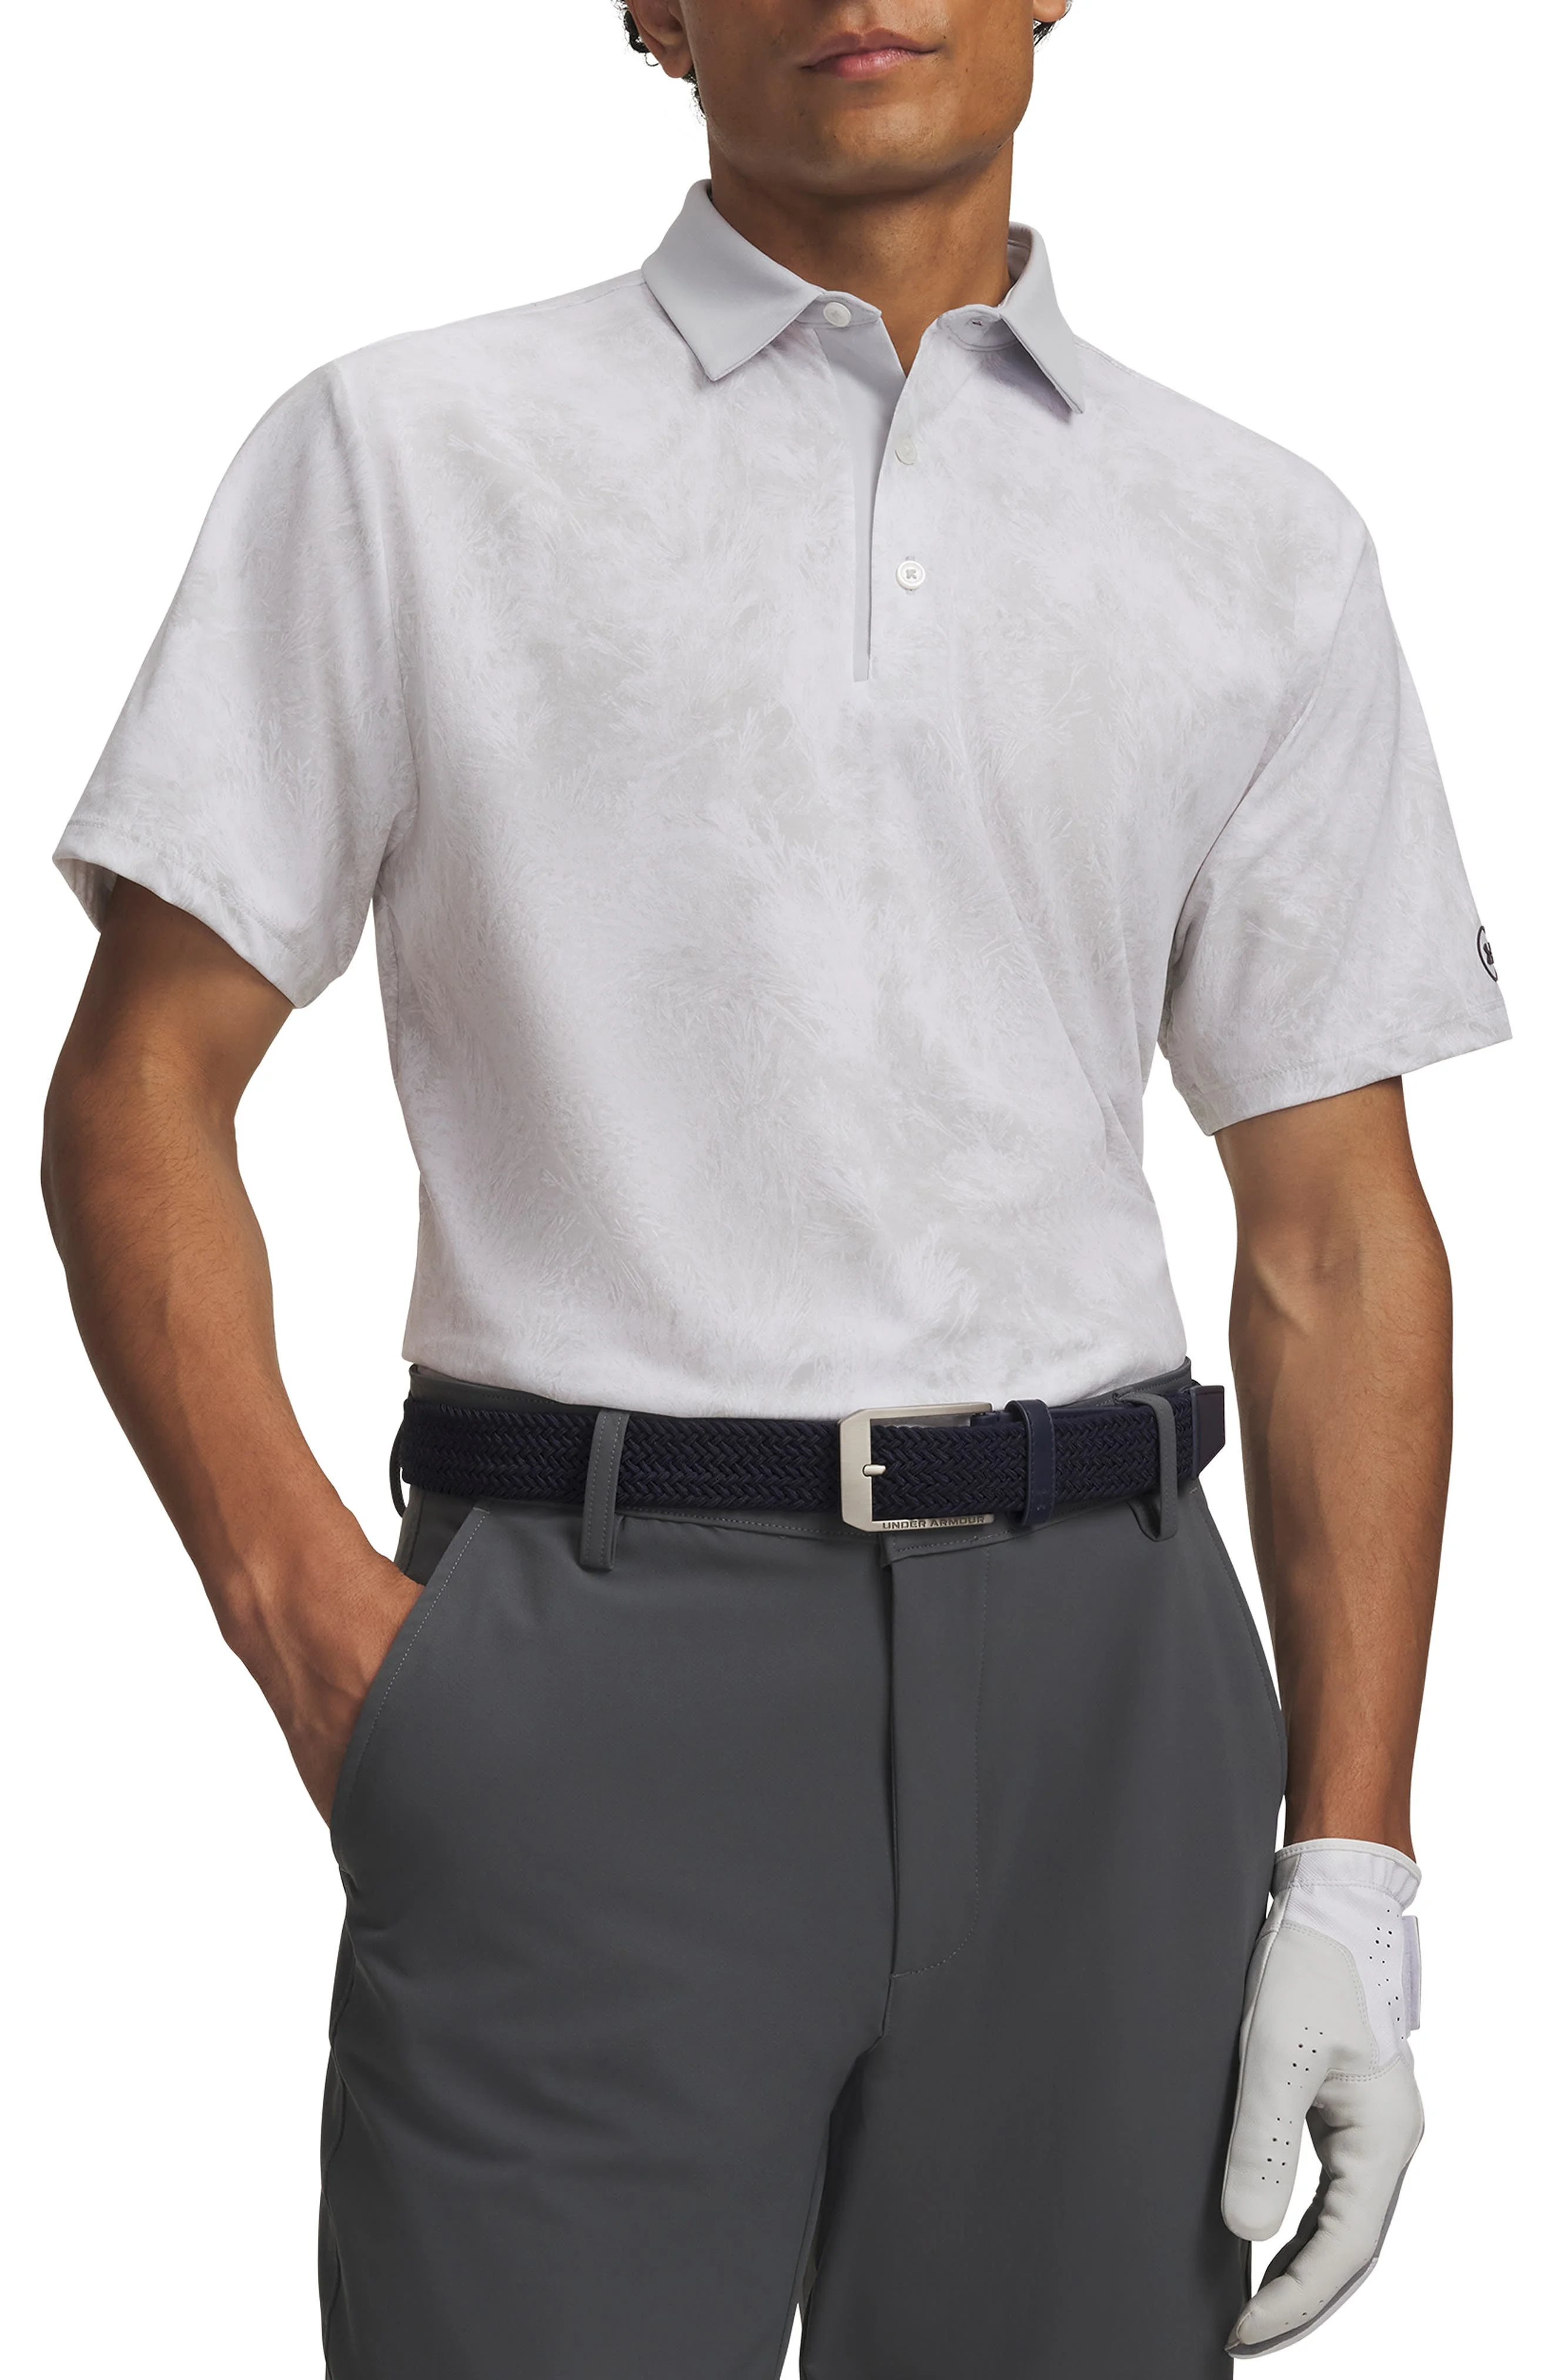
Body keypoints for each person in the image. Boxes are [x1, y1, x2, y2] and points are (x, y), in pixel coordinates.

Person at [41, 4, 1508, 2374]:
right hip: (589, 1668)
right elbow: (142, 1083)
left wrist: (1352, 1866)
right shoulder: (407, 455)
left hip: (1114, 1690)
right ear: (652, 8)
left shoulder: (1259, 540)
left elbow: (1337, 1230)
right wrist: (310, 1624)